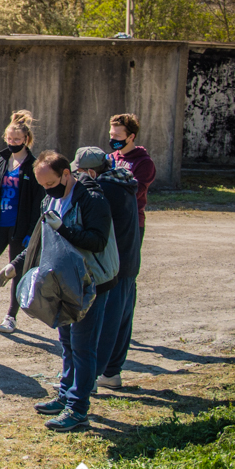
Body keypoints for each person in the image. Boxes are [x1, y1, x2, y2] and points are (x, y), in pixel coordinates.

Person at [0, 150, 114, 432]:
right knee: (68, 344)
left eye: (51, 184)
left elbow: (97, 241)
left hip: (91, 283)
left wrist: (64, 229)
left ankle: (78, 409)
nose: (48, 190)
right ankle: (64, 397)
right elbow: (40, 238)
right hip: (65, 282)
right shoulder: (51, 199)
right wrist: (15, 266)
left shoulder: (92, 199)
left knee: (83, 347)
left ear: (66, 174)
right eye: (43, 186)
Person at [74, 146, 140, 392]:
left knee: (106, 323)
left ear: (91, 172)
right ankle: (112, 372)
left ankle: (91, 378)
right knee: (121, 320)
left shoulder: (103, 190)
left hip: (113, 265)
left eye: (79, 172)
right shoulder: (122, 182)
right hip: (129, 261)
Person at [0, 110, 42, 335]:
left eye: (17, 140)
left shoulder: (33, 166)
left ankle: (11, 316)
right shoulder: (1, 162)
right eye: (10, 139)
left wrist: (32, 231)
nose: (13, 143)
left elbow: (37, 202)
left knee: (16, 271)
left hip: (20, 229)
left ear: (26, 140)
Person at [102, 113, 155, 388]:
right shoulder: (110, 158)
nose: (113, 139)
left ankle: (112, 368)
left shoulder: (143, 164)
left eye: (118, 135)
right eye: (111, 134)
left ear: (131, 136)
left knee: (122, 290)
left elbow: (128, 191)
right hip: (109, 229)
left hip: (131, 230)